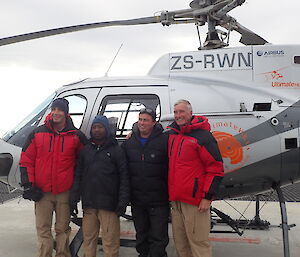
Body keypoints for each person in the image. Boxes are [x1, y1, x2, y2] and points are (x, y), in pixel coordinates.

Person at [19, 98, 87, 257]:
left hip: (64, 191)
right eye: (54, 109)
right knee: (43, 228)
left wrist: (78, 189)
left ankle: (62, 254)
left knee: (62, 229)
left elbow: (85, 162)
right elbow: (26, 159)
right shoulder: (37, 133)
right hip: (42, 192)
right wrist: (29, 185)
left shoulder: (76, 136)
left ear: (66, 113)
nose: (56, 113)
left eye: (60, 110)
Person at [167, 99, 224, 257]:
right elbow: (152, 135)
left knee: (198, 243)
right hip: (176, 200)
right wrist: (134, 131)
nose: (178, 115)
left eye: (182, 111)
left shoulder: (203, 137)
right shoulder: (173, 135)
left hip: (195, 202)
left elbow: (216, 168)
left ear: (190, 113)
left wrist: (207, 197)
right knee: (181, 243)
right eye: (176, 112)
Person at [70, 115, 130, 257]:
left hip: (109, 205)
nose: (97, 130)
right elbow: (78, 176)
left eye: (100, 127)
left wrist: (123, 201)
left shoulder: (116, 151)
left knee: (110, 241)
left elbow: (124, 177)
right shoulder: (85, 151)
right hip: (89, 204)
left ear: (106, 129)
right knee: (89, 240)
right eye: (94, 127)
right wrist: (74, 198)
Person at [122, 108, 169, 257]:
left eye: (146, 120)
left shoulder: (164, 140)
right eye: (140, 119)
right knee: (141, 235)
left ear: (154, 123)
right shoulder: (130, 142)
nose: (142, 123)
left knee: (158, 236)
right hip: (138, 200)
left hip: (158, 200)